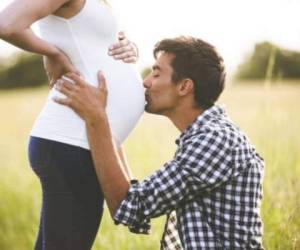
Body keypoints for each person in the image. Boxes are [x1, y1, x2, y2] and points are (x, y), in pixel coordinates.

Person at [54, 36, 265, 249]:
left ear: (184, 87)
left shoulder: (213, 141)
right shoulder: (208, 135)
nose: (146, 82)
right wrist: (106, 118)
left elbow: (131, 206)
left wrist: (96, 119)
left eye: (156, 73)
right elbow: (134, 200)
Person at [0, 0, 144, 249]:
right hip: (70, 140)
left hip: (77, 142)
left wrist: (130, 47)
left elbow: (89, 43)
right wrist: (53, 53)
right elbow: (7, 25)